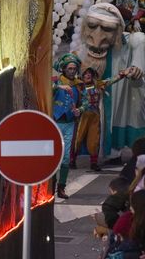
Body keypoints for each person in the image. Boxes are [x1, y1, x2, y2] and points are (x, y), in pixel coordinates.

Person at [73, 66, 127, 171]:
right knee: (78, 139)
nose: (87, 75)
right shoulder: (79, 86)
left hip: (95, 115)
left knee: (94, 140)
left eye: (89, 73)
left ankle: (93, 163)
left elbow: (110, 81)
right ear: (81, 76)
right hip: (82, 116)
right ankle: (71, 160)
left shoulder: (97, 84)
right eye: (85, 74)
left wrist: (122, 75)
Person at [52, 53, 82, 199]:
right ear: (63, 69)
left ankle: (61, 187)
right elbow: (45, 87)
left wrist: (79, 110)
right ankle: (50, 186)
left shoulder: (79, 85)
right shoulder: (56, 81)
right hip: (55, 122)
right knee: (53, 155)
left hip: (69, 124)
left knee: (65, 158)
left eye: (74, 69)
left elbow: (86, 102)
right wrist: (59, 87)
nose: (72, 71)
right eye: (69, 68)